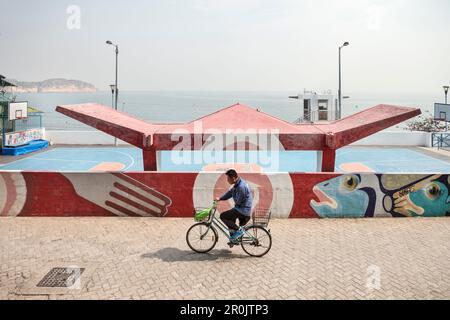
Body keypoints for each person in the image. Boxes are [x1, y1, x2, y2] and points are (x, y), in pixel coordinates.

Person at [214, 169, 253, 241]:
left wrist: (233, 194)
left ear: (233, 178)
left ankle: (238, 230)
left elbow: (238, 201)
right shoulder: (237, 184)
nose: (227, 180)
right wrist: (220, 198)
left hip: (243, 210)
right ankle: (233, 238)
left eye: (228, 178)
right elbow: (229, 193)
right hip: (241, 208)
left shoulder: (241, 186)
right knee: (230, 218)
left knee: (223, 216)